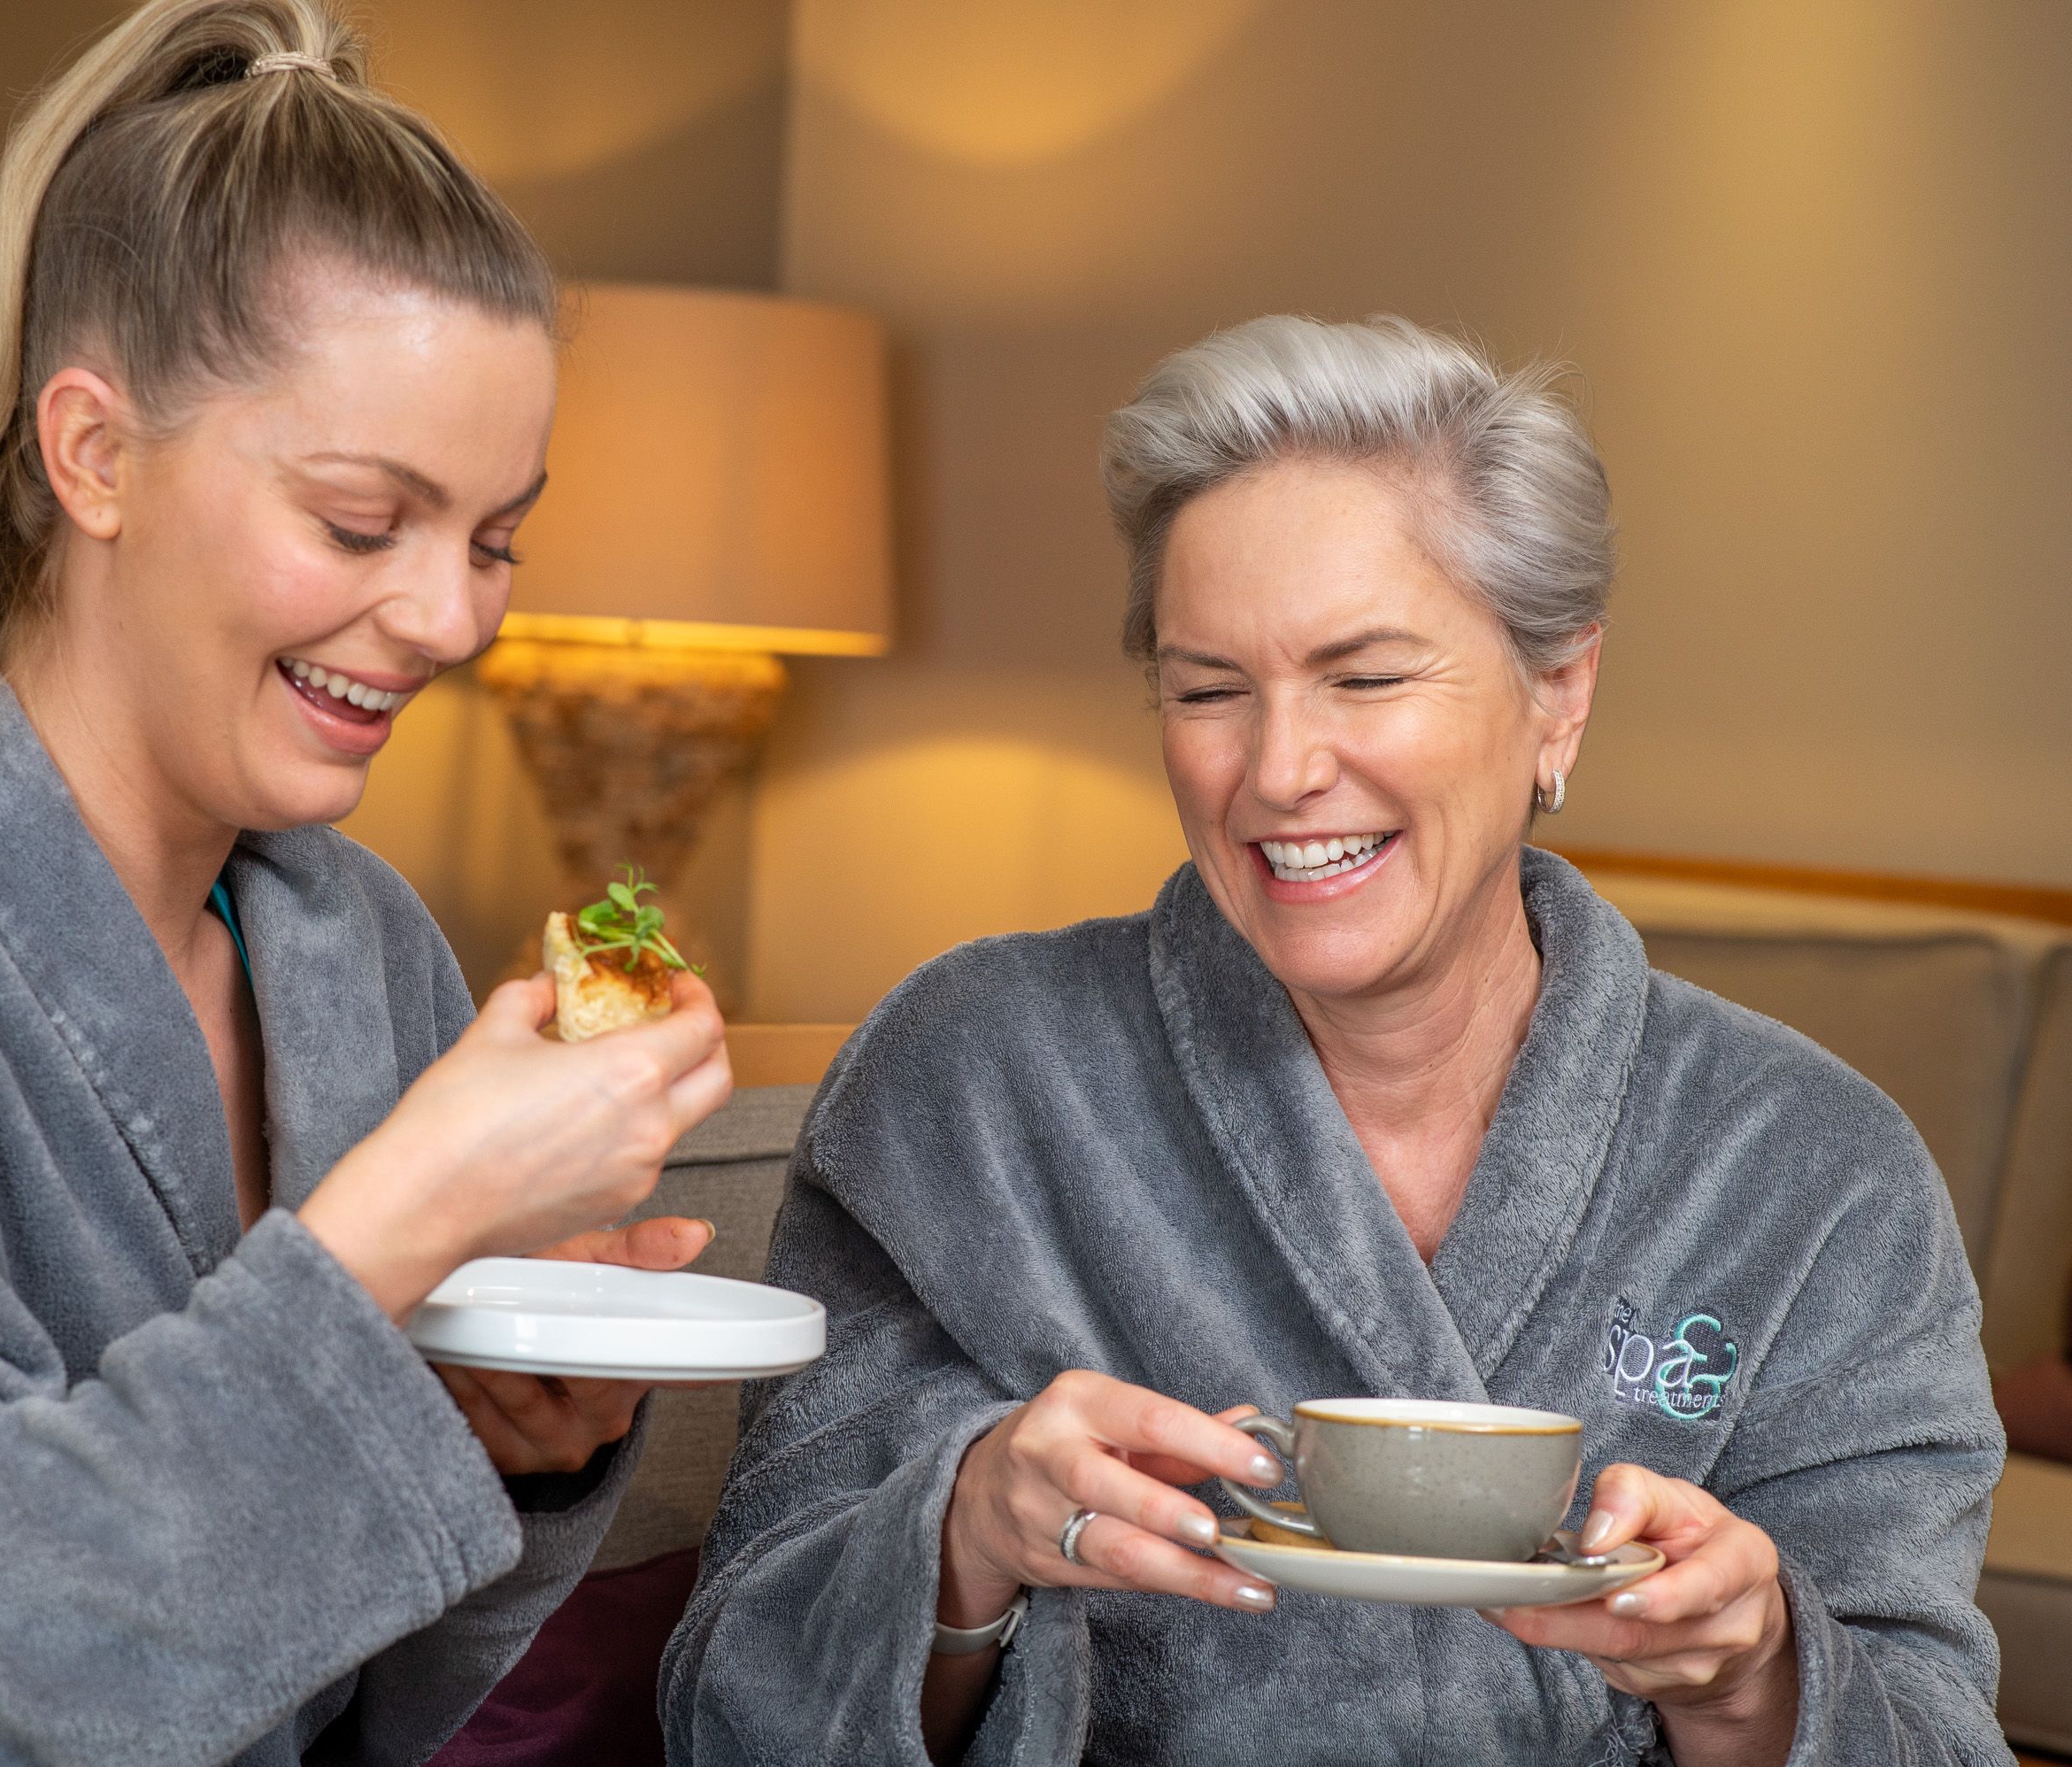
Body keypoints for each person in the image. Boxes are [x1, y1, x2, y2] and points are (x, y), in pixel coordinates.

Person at [0, 4, 734, 1763]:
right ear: (92, 451)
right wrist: (391, 1224)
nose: (455, 618)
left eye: (492, 539)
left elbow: (354, 1709)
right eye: (357, 520)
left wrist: (495, 1433)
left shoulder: (361, 943)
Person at [662, 315, 2007, 1765]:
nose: (1280, 770)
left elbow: (1931, 1729)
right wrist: (964, 1534)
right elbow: (736, 1712)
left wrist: (1756, 1675)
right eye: (1209, 689)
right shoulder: (976, 1080)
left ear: (1560, 692)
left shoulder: (1811, 1170)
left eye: (1365, 678)